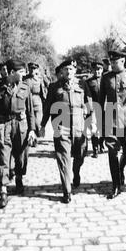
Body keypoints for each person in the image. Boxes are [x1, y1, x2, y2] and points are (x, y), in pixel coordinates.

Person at [40, 59, 95, 204]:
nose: (69, 72)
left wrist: (93, 123)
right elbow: (47, 107)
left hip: (79, 126)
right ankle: (67, 190)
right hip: (61, 127)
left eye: (71, 69)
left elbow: (90, 106)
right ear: (62, 72)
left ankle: (76, 172)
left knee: (81, 155)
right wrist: (42, 125)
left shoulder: (82, 85)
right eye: (66, 69)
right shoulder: (54, 87)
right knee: (63, 159)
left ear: (75, 71)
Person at [0, 59, 36, 208]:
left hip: (21, 126)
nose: (24, 74)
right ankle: (3, 191)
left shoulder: (25, 86)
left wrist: (32, 129)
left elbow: (30, 111)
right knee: (3, 157)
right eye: (21, 72)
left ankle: (19, 177)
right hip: (3, 125)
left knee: (21, 155)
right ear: (12, 73)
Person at [99, 50, 126, 199]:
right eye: (111, 61)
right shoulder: (105, 77)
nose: (112, 64)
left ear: (123, 61)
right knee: (112, 152)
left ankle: (120, 169)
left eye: (115, 61)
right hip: (110, 119)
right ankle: (116, 185)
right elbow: (100, 101)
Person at [85, 60, 105, 157]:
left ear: (102, 69)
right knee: (94, 129)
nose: (97, 71)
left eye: (99, 69)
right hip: (94, 107)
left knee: (104, 129)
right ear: (93, 70)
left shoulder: (106, 80)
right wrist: (91, 109)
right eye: (95, 69)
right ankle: (95, 149)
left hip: (105, 108)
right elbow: (88, 96)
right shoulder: (88, 82)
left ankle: (101, 143)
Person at [24, 62, 46, 143]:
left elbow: (43, 93)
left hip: (37, 102)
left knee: (37, 122)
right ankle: (32, 138)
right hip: (27, 103)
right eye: (31, 68)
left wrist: (45, 103)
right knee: (29, 121)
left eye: (34, 68)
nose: (32, 70)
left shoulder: (39, 79)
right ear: (28, 69)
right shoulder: (25, 79)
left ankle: (36, 136)